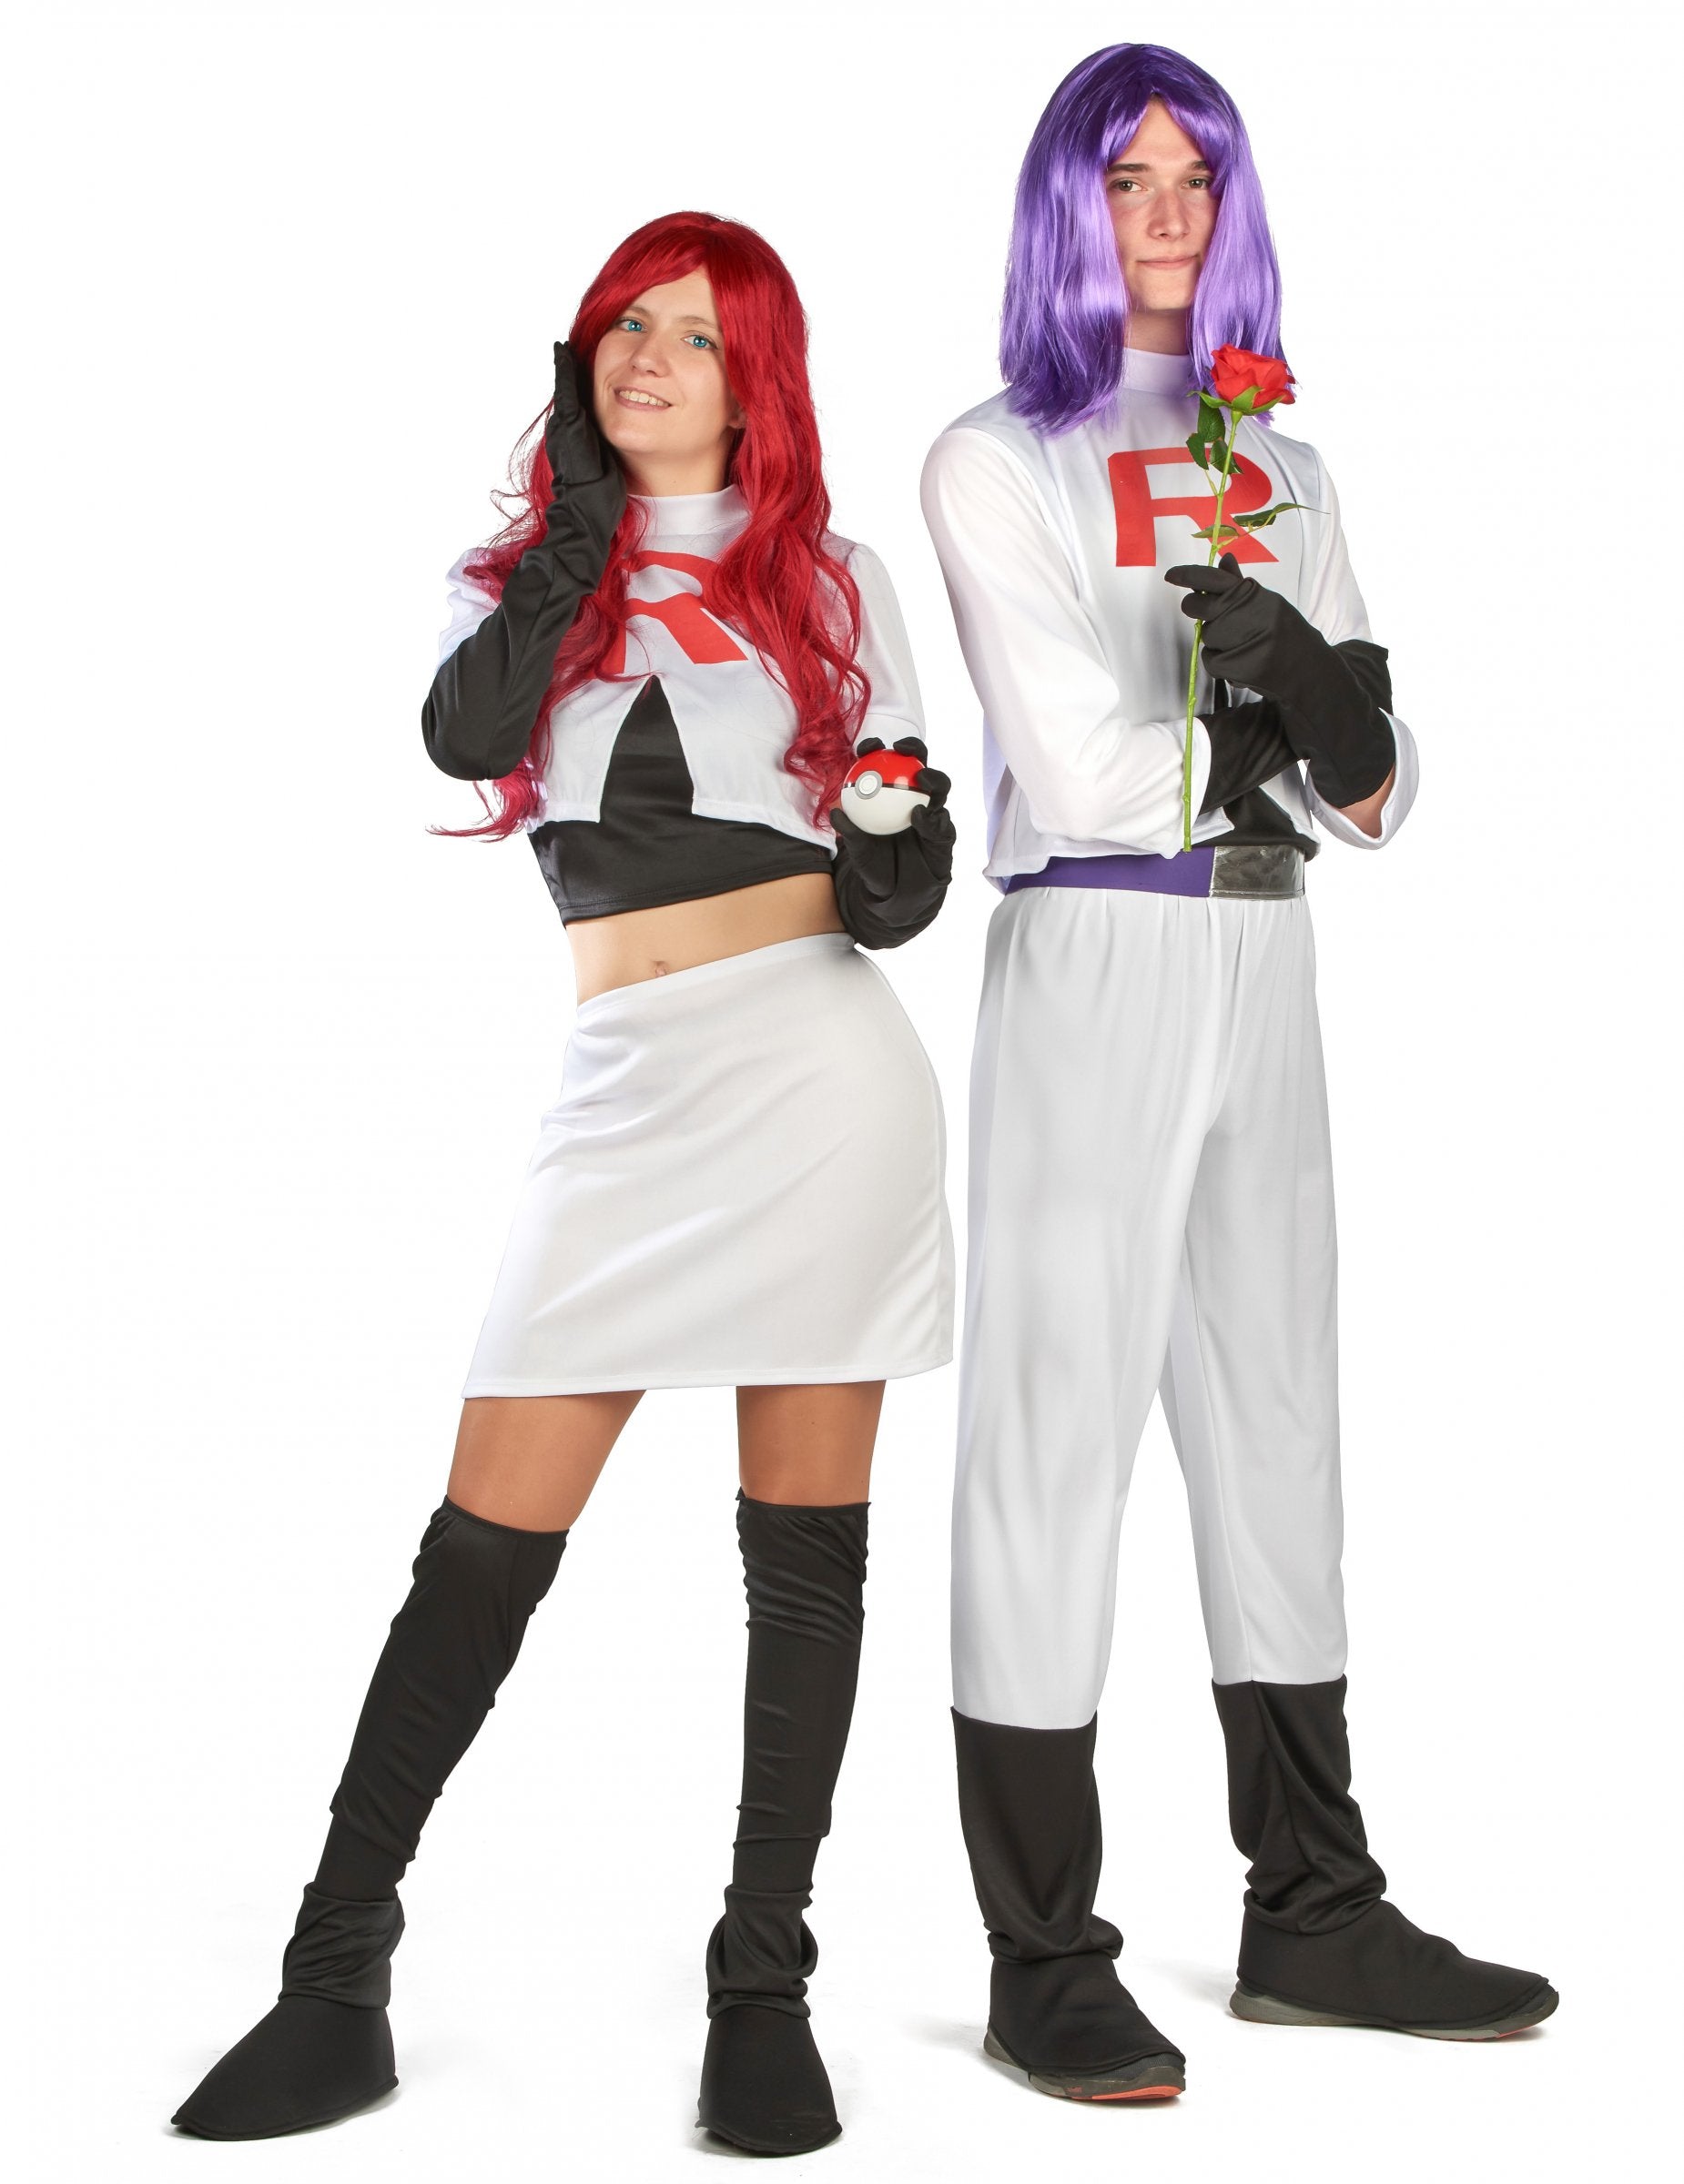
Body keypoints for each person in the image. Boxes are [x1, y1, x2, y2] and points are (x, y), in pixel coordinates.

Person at [171, 210, 955, 2158]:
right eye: (622, 324)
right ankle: (333, 1977)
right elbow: (466, 732)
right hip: (622, 1088)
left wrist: (896, 858)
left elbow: (894, 871)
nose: (645, 356)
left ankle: (761, 1983)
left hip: (820, 1079)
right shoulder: (511, 575)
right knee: (479, 1548)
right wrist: (581, 540)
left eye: (691, 333)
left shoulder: (835, 578)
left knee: (802, 1557)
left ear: (754, 377)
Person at [920, 45, 1555, 2104]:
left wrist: (1319, 721)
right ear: (1068, 204)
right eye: (1128, 178)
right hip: (1094, 947)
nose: (1168, 214)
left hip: (1266, 950)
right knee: (1056, 1423)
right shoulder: (992, 461)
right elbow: (1086, 770)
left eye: (1197, 176)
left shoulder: (1286, 466)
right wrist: (1290, 715)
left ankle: (1312, 1907)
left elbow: (1386, 794)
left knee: (1278, 1415)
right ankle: (1040, 1951)